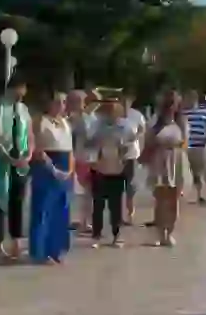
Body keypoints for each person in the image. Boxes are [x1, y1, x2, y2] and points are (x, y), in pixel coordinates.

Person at [0, 76, 31, 259]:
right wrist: (7, 156)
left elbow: (30, 134)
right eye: (18, 93)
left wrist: (28, 154)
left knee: (17, 200)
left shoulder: (23, 110)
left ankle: (17, 241)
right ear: (11, 90)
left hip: (19, 160)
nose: (21, 97)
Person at [29, 92, 73, 263]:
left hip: (64, 165)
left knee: (61, 208)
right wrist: (53, 169)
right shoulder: (41, 121)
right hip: (46, 166)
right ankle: (40, 251)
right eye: (57, 102)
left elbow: (69, 149)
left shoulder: (65, 122)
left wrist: (69, 170)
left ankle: (57, 249)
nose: (61, 105)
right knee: (43, 208)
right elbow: (37, 148)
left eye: (63, 102)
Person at [145, 90, 187, 247]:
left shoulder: (181, 122)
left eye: (173, 103)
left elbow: (185, 143)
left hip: (176, 161)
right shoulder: (155, 121)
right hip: (159, 161)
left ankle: (169, 233)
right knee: (161, 200)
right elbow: (148, 142)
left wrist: (175, 144)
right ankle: (159, 234)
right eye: (168, 103)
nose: (171, 107)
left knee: (174, 201)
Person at [89, 101, 132, 248]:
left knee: (116, 205)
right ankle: (96, 236)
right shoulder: (97, 126)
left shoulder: (125, 127)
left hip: (117, 169)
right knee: (98, 204)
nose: (111, 114)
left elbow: (131, 145)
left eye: (114, 111)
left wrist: (124, 152)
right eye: (109, 110)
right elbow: (91, 144)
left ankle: (117, 235)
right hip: (99, 169)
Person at [67, 90, 96, 232]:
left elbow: (91, 137)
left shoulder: (88, 118)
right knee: (77, 191)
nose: (74, 104)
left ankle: (85, 221)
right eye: (72, 101)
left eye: (77, 101)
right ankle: (78, 220)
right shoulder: (70, 119)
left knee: (88, 192)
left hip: (87, 158)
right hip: (76, 158)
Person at [183, 90, 206, 205]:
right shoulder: (184, 113)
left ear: (194, 99)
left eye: (188, 98)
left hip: (201, 145)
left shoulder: (205, 112)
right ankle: (199, 195)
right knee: (194, 173)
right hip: (189, 146)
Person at [120, 92, 147, 226]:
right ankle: (118, 215)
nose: (124, 103)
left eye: (127, 100)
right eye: (122, 100)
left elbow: (143, 129)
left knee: (130, 186)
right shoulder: (114, 114)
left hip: (131, 155)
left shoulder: (136, 115)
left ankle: (130, 213)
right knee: (117, 186)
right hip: (116, 156)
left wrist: (135, 138)